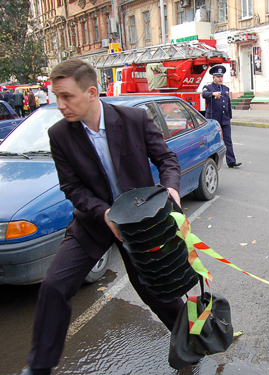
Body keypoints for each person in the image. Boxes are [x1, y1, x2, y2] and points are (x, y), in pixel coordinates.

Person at [17, 59, 184, 375]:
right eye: (56, 96)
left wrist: (171, 190)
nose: (60, 105)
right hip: (93, 221)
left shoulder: (133, 119)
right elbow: (72, 187)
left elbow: (167, 159)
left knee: (154, 290)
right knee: (53, 285)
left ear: (91, 92)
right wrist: (104, 213)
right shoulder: (60, 134)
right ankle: (39, 366)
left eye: (67, 96)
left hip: (139, 223)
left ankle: (192, 339)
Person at [202, 65, 241, 168]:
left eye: (221, 77)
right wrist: (213, 94)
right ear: (213, 77)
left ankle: (231, 161)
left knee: (228, 140)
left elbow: (227, 103)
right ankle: (209, 162)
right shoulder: (209, 87)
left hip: (225, 119)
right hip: (213, 119)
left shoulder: (225, 88)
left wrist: (229, 116)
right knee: (212, 141)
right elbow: (204, 94)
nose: (220, 79)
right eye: (218, 77)